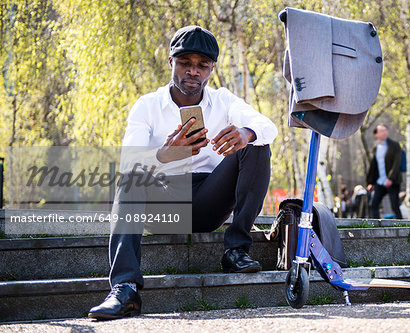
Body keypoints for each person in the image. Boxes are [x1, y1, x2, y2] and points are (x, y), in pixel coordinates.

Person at [88, 25, 278, 320]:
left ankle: (236, 251)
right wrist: (165, 155)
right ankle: (125, 289)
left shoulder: (224, 100)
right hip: (161, 203)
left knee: (257, 144)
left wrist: (245, 132)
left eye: (202, 65)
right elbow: (127, 162)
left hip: (208, 200)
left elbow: (269, 127)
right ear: (171, 62)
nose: (193, 72)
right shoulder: (147, 106)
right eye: (185, 63)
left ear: (211, 69)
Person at [366, 124, 403, 219]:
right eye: (381, 131)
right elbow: (374, 167)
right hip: (380, 182)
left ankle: (404, 228)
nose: (384, 132)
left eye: (385, 130)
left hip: (392, 182)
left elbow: (397, 163)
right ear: (376, 134)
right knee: (373, 204)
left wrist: (390, 178)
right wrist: (371, 182)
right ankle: (376, 227)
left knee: (395, 206)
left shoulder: (394, 146)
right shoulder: (375, 149)